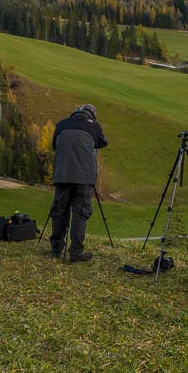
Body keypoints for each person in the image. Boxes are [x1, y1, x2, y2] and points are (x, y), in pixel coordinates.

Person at [48, 104, 108, 263]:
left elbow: (55, 145)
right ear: (93, 115)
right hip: (84, 177)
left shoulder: (62, 124)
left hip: (62, 174)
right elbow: (103, 142)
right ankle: (75, 252)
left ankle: (56, 249)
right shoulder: (94, 125)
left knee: (59, 211)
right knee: (80, 213)